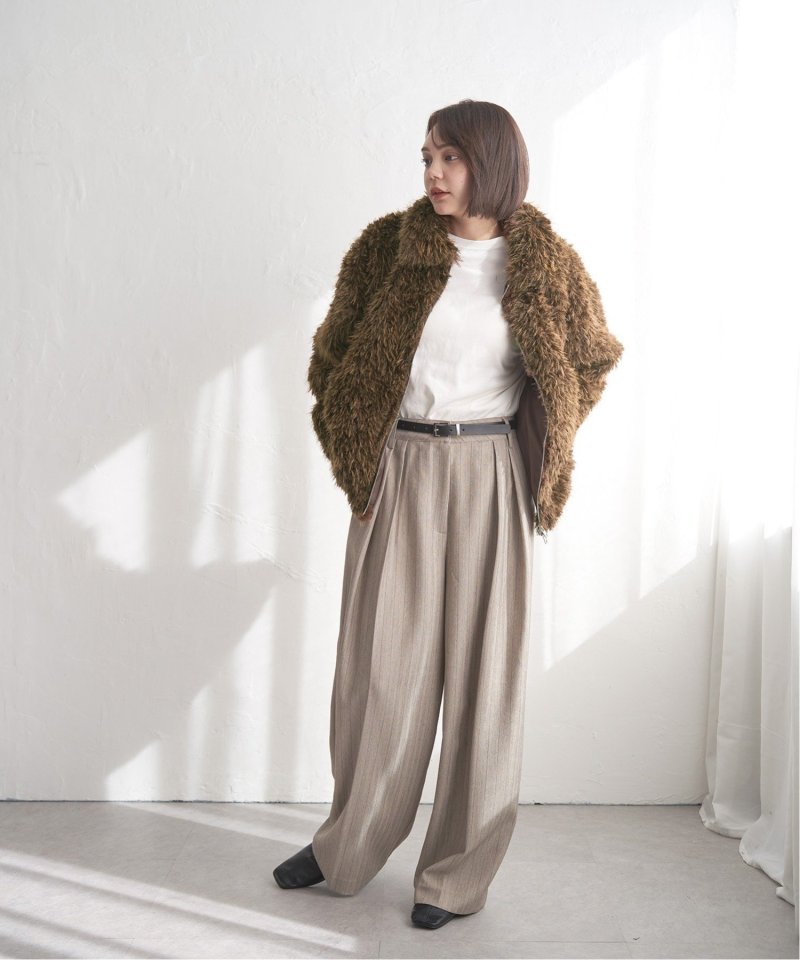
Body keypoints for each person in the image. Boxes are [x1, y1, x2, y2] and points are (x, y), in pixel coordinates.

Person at [273, 99, 624, 930]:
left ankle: (454, 878)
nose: (433, 173)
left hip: (492, 471)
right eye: (427, 156)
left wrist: (550, 435)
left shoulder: (545, 263)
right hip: (399, 467)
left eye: (451, 158)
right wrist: (352, 441)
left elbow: (592, 357)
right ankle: (347, 844)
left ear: (491, 163)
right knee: (379, 676)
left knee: (483, 684)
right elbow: (332, 354)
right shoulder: (386, 249)